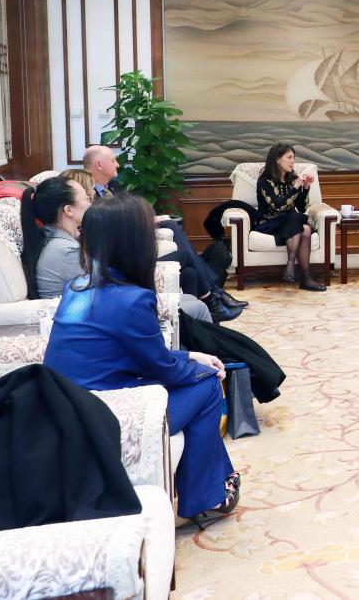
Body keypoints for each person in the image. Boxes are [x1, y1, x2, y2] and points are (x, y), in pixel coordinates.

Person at [42, 194, 240, 524]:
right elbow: (161, 369)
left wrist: (191, 354)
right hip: (105, 416)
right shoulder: (131, 299)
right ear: (135, 242)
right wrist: (197, 368)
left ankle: (212, 487)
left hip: (66, 406)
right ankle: (205, 496)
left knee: (198, 374)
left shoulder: (76, 286)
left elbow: (128, 352)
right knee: (206, 385)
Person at [83, 145, 246, 320]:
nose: (118, 164)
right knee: (183, 252)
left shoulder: (114, 187)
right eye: (113, 160)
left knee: (189, 272)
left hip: (133, 243)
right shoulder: (86, 195)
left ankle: (202, 315)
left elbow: (130, 213)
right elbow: (113, 225)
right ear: (99, 165)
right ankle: (213, 297)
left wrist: (147, 218)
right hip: (124, 258)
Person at [21, 177, 216, 323]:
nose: (91, 203)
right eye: (86, 198)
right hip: (94, 316)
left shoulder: (60, 240)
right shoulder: (64, 251)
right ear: (68, 210)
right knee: (196, 306)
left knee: (189, 286)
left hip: (98, 306)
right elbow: (105, 286)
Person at [255, 143, 326, 292]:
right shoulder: (264, 182)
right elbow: (277, 206)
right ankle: (299, 271)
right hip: (271, 224)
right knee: (300, 222)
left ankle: (298, 271)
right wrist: (295, 187)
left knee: (303, 226)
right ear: (277, 159)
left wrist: (306, 187)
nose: (293, 161)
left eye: (294, 158)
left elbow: (302, 207)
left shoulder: (293, 179)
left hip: (291, 224)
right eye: (289, 157)